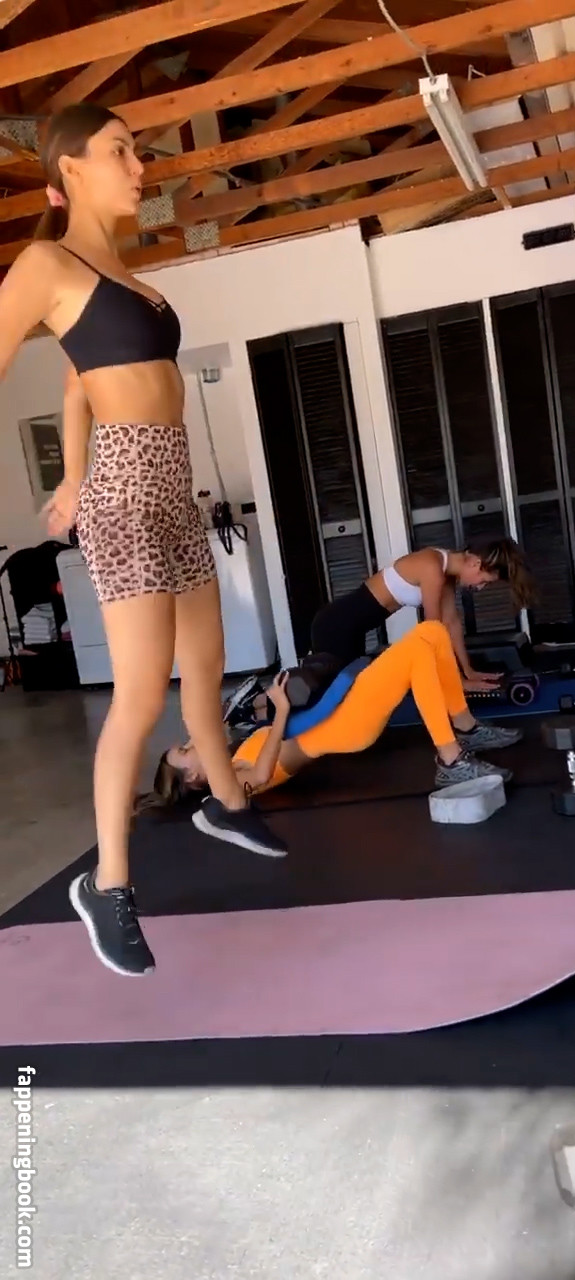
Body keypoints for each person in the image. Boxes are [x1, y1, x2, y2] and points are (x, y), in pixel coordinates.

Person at [0, 103, 284, 979]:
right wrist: (84, 482)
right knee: (138, 695)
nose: (139, 167)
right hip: (127, 491)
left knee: (208, 664)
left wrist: (68, 473)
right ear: (70, 169)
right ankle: (109, 885)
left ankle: (225, 800)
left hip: (169, 480)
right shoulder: (44, 264)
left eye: (138, 151)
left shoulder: (121, 276)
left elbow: (80, 384)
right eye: (120, 151)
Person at [152, 620, 515, 811]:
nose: (188, 744)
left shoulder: (226, 759)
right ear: (193, 776)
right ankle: (451, 760)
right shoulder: (226, 787)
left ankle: (465, 727)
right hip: (347, 726)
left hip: (337, 713)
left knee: (431, 631)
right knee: (419, 651)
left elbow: (210, 729)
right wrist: (281, 711)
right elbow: (261, 774)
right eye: (184, 751)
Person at [310, 537, 535, 751]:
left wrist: (468, 672)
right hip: (334, 626)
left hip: (352, 629)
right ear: (475, 563)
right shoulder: (432, 567)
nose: (480, 587)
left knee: (351, 700)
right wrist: (457, 680)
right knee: (335, 703)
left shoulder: (445, 573)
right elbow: (433, 631)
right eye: (484, 581)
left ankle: (467, 730)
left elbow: (451, 623)